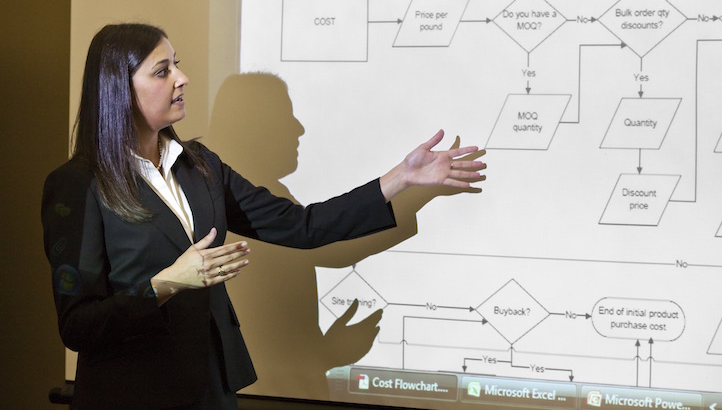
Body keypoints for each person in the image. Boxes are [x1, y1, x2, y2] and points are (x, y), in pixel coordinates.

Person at [42, 23, 485, 409]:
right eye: (163, 71)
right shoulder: (77, 185)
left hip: (213, 392)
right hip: (131, 398)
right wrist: (169, 282)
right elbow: (78, 325)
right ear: (119, 90)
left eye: (177, 64)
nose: (182, 78)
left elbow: (302, 226)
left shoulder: (200, 166)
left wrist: (400, 178)